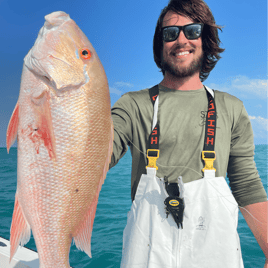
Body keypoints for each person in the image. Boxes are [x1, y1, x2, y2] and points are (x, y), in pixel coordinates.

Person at [109, 0, 268, 267]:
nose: (181, 40)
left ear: (205, 39)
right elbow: (96, 158)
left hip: (216, 253)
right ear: (160, 45)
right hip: (147, 254)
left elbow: (246, 185)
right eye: (170, 33)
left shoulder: (231, 108)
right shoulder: (132, 105)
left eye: (192, 30)